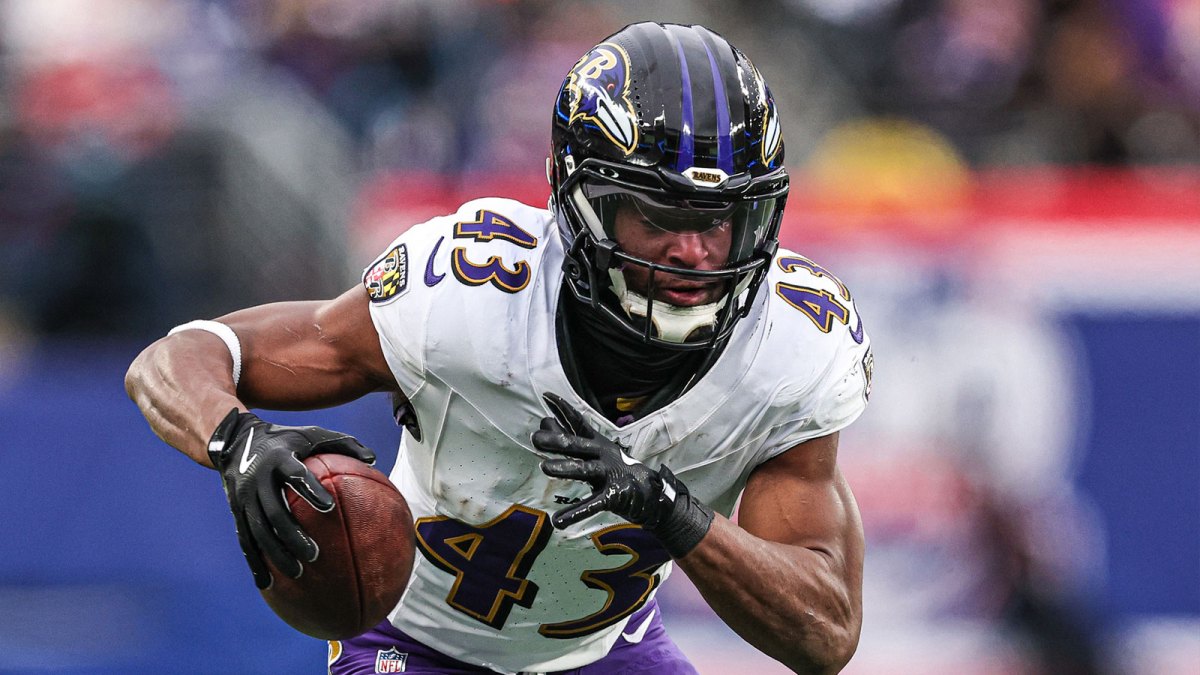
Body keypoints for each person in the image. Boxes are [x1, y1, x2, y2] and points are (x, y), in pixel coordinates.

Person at [126, 22, 873, 675]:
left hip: (606, 648)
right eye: (660, 214)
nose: (695, 252)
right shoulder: (473, 295)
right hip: (418, 646)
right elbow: (188, 353)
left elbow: (826, 635)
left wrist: (668, 508)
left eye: (722, 221)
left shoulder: (792, 350)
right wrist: (237, 443)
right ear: (580, 203)